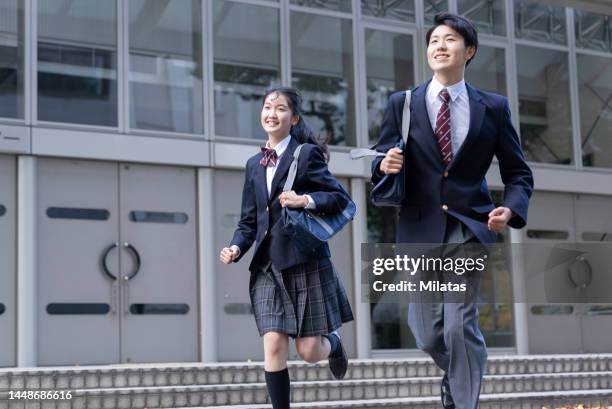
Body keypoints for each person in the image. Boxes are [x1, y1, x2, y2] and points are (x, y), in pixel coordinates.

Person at [371, 12, 534, 409]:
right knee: (426, 333)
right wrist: (383, 163)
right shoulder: (403, 104)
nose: (439, 46)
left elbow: (518, 174)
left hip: (467, 228)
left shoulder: (492, 108)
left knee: (460, 325)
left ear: (469, 51)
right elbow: (380, 157)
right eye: (433, 41)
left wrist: (509, 211)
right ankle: (463, 372)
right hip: (419, 229)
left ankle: (464, 401)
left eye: (450, 40)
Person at [220, 87, 354, 409]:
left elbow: (340, 198)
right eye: (267, 107)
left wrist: (304, 199)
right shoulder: (254, 163)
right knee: (274, 344)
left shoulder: (305, 154)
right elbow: (248, 221)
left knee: (308, 352)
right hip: (267, 266)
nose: (271, 113)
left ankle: (333, 344)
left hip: (304, 261)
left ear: (293, 118)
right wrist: (236, 247)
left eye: (280, 109)